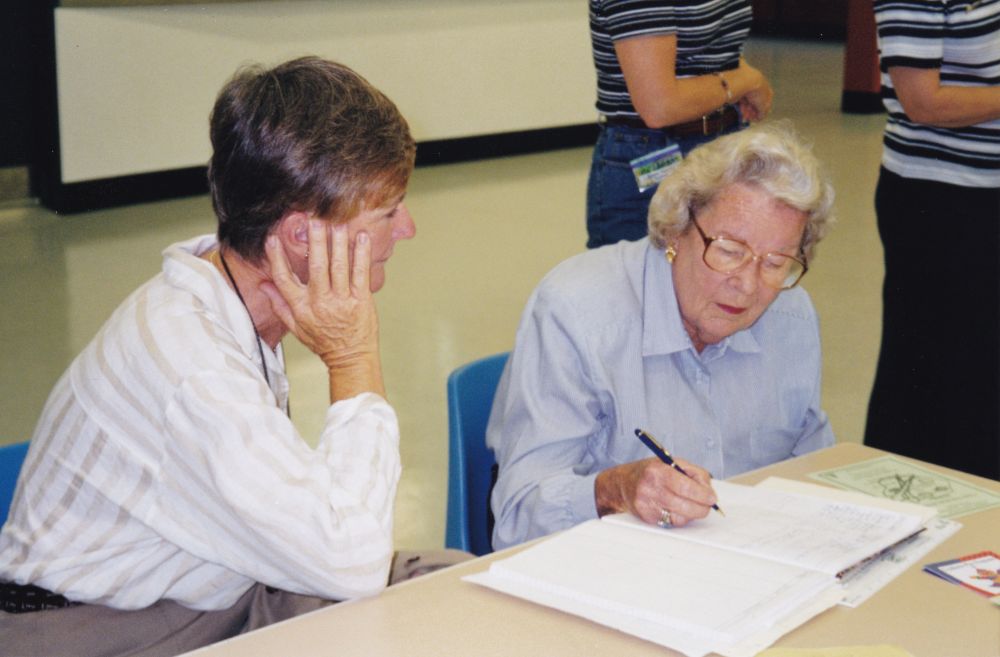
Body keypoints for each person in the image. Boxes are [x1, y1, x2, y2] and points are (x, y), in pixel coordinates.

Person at [0, 57, 468, 656]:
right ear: (303, 236)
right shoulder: (192, 366)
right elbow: (350, 563)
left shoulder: (228, 292)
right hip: (100, 631)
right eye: (387, 211)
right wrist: (353, 360)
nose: (407, 229)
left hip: (206, 590)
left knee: (452, 584)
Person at [489, 122, 835, 550]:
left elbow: (815, 477)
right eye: (729, 251)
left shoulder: (792, 317)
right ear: (676, 229)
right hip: (608, 576)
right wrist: (613, 490)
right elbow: (516, 518)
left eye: (775, 262)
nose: (747, 285)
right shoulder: (576, 312)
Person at [864, 1, 1000, 480]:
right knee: (932, 373)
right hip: (941, 204)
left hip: (986, 195)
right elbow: (923, 102)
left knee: (984, 373)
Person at [586, 0, 774, 249]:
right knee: (639, 282)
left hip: (723, 142)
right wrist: (748, 81)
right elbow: (660, 107)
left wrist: (739, 78)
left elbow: (708, 45)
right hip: (652, 151)